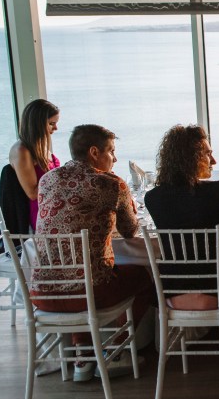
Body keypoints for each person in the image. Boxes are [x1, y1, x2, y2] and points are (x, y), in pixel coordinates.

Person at [34, 124, 153, 381]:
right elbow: (130, 230)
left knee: (79, 273)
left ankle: (82, 357)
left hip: (42, 294)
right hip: (87, 295)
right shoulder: (110, 184)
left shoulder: (47, 180)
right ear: (94, 152)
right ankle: (114, 353)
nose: (115, 158)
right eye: (111, 151)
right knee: (144, 278)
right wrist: (127, 202)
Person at [144, 125, 219, 307]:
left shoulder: (153, 197)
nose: (214, 161)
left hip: (171, 292)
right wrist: (215, 252)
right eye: (207, 154)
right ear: (190, 158)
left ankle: (206, 335)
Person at [5, 98, 60, 231]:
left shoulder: (39, 146)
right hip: (40, 213)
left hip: (52, 205)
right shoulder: (22, 151)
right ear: (38, 124)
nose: (56, 128)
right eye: (51, 123)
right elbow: (33, 193)